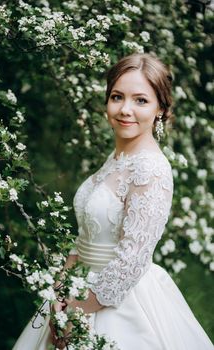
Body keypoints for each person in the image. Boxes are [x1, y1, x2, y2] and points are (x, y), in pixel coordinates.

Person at [13, 53, 213, 350]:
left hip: (117, 303)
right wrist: (58, 295)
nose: (125, 110)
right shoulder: (117, 159)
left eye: (141, 100)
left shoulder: (151, 169)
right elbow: (85, 238)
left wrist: (75, 314)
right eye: (117, 97)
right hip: (77, 288)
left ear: (160, 108)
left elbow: (131, 261)